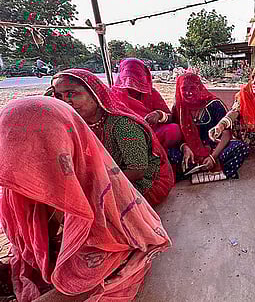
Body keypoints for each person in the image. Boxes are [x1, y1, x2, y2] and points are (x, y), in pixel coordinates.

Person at [0, 97, 171, 301]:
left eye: (33, 150)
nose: (22, 162)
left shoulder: (100, 193)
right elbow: (25, 245)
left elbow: (99, 269)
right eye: (13, 150)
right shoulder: (17, 191)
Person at [50, 68, 174, 205]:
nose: (66, 101)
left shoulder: (123, 125)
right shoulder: (76, 122)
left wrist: (95, 184)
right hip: (108, 176)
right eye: (59, 96)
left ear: (94, 94)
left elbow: (137, 170)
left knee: (90, 206)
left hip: (144, 182)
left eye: (72, 93)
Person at [169, 73, 249, 179]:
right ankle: (201, 169)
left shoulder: (214, 104)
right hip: (191, 151)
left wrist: (212, 157)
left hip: (214, 149)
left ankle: (197, 170)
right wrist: (184, 147)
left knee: (240, 147)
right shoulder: (178, 107)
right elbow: (176, 133)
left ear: (199, 87)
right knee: (169, 152)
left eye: (192, 88)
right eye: (184, 89)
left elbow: (226, 133)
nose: (188, 92)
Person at [112, 58, 182, 149]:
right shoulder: (114, 94)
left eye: (136, 76)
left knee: (174, 129)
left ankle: (158, 154)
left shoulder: (151, 93)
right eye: (128, 77)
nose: (132, 82)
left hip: (152, 133)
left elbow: (171, 117)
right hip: (128, 136)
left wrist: (159, 115)